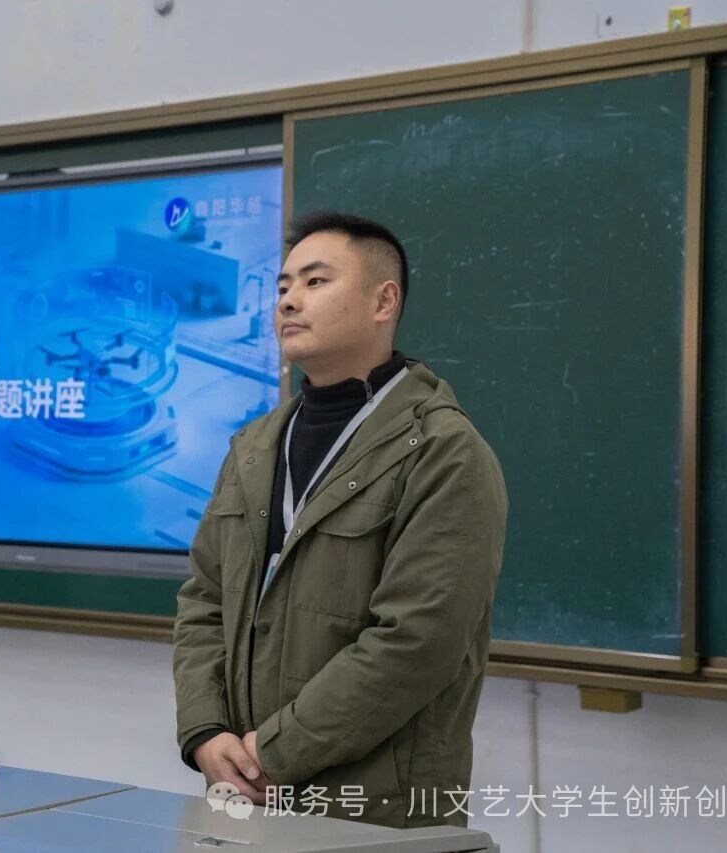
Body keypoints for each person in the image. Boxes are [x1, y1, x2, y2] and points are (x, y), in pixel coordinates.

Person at [172, 210, 508, 829]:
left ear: (384, 301)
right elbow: (204, 601)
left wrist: (273, 754)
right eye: (282, 286)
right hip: (247, 798)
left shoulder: (444, 451)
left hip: (376, 815)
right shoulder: (253, 448)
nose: (288, 301)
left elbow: (417, 641)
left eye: (315, 281)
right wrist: (205, 731)